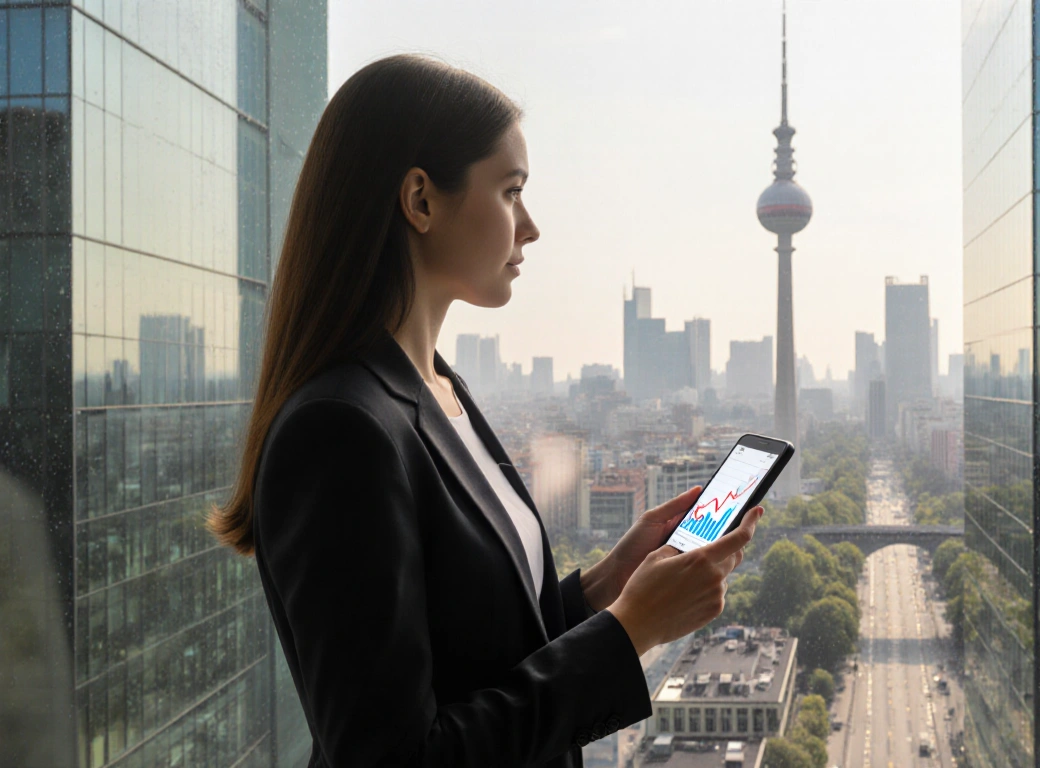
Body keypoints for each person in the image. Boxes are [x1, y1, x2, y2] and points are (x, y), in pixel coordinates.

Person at [207, 54, 761, 767]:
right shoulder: (342, 431)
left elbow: (477, 654)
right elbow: (396, 757)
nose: (530, 227)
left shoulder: (439, 389)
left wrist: (605, 587)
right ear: (421, 200)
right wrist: (630, 633)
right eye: (510, 191)